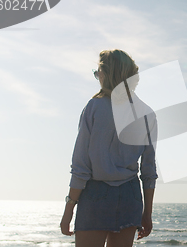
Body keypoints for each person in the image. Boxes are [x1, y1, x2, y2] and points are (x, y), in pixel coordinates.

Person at [60, 49, 158, 247]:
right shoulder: (147, 114)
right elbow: (149, 171)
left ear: (108, 74)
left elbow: (81, 166)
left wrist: (69, 208)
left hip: (96, 194)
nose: (97, 78)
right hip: (130, 196)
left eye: (98, 73)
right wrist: (147, 214)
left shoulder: (94, 108)